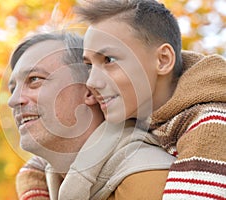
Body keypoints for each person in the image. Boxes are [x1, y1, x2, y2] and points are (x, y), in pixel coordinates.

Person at [76, 0, 226, 199]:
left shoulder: (211, 125)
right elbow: (42, 163)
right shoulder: (135, 110)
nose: (92, 82)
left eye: (109, 60)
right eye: (89, 65)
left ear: (163, 60)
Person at [7, 32, 176, 200]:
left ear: (90, 90)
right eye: (13, 89)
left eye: (35, 79)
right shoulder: (53, 186)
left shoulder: (145, 177)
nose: (13, 100)